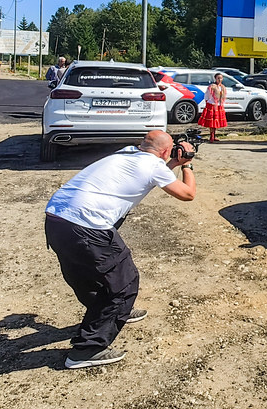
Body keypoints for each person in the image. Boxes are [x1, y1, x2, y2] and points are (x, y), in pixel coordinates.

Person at [44, 131, 196, 369]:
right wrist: (188, 165)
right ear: (165, 152)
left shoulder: (127, 153)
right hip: (88, 226)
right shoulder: (154, 166)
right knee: (124, 283)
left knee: (87, 277)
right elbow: (188, 194)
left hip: (57, 218)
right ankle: (86, 350)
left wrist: (174, 163)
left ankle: (113, 313)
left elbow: (151, 171)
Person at [198, 72, 228, 143]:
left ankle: (214, 135)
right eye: (218, 78)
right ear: (215, 79)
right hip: (212, 105)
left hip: (219, 106)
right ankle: (211, 136)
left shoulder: (222, 87)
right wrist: (209, 102)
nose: (220, 80)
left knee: (216, 121)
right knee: (212, 121)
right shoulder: (212, 86)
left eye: (221, 78)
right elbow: (207, 96)